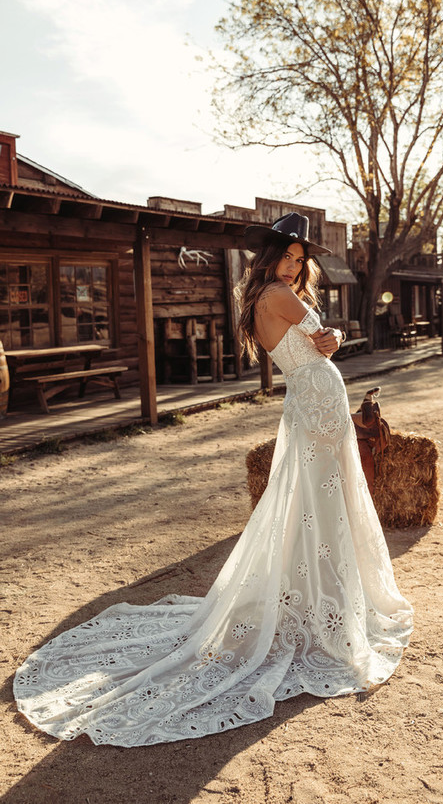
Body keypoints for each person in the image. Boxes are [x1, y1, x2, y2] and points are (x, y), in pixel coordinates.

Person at [13, 213, 413, 747]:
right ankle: (320, 602)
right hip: (316, 400)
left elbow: (323, 340)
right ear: (269, 260)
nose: (295, 266)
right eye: (287, 257)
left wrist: (330, 337)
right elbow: (327, 337)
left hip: (312, 398)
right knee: (321, 500)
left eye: (300, 260)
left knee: (315, 503)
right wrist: (335, 332)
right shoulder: (277, 294)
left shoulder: (262, 298)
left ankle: (316, 594)